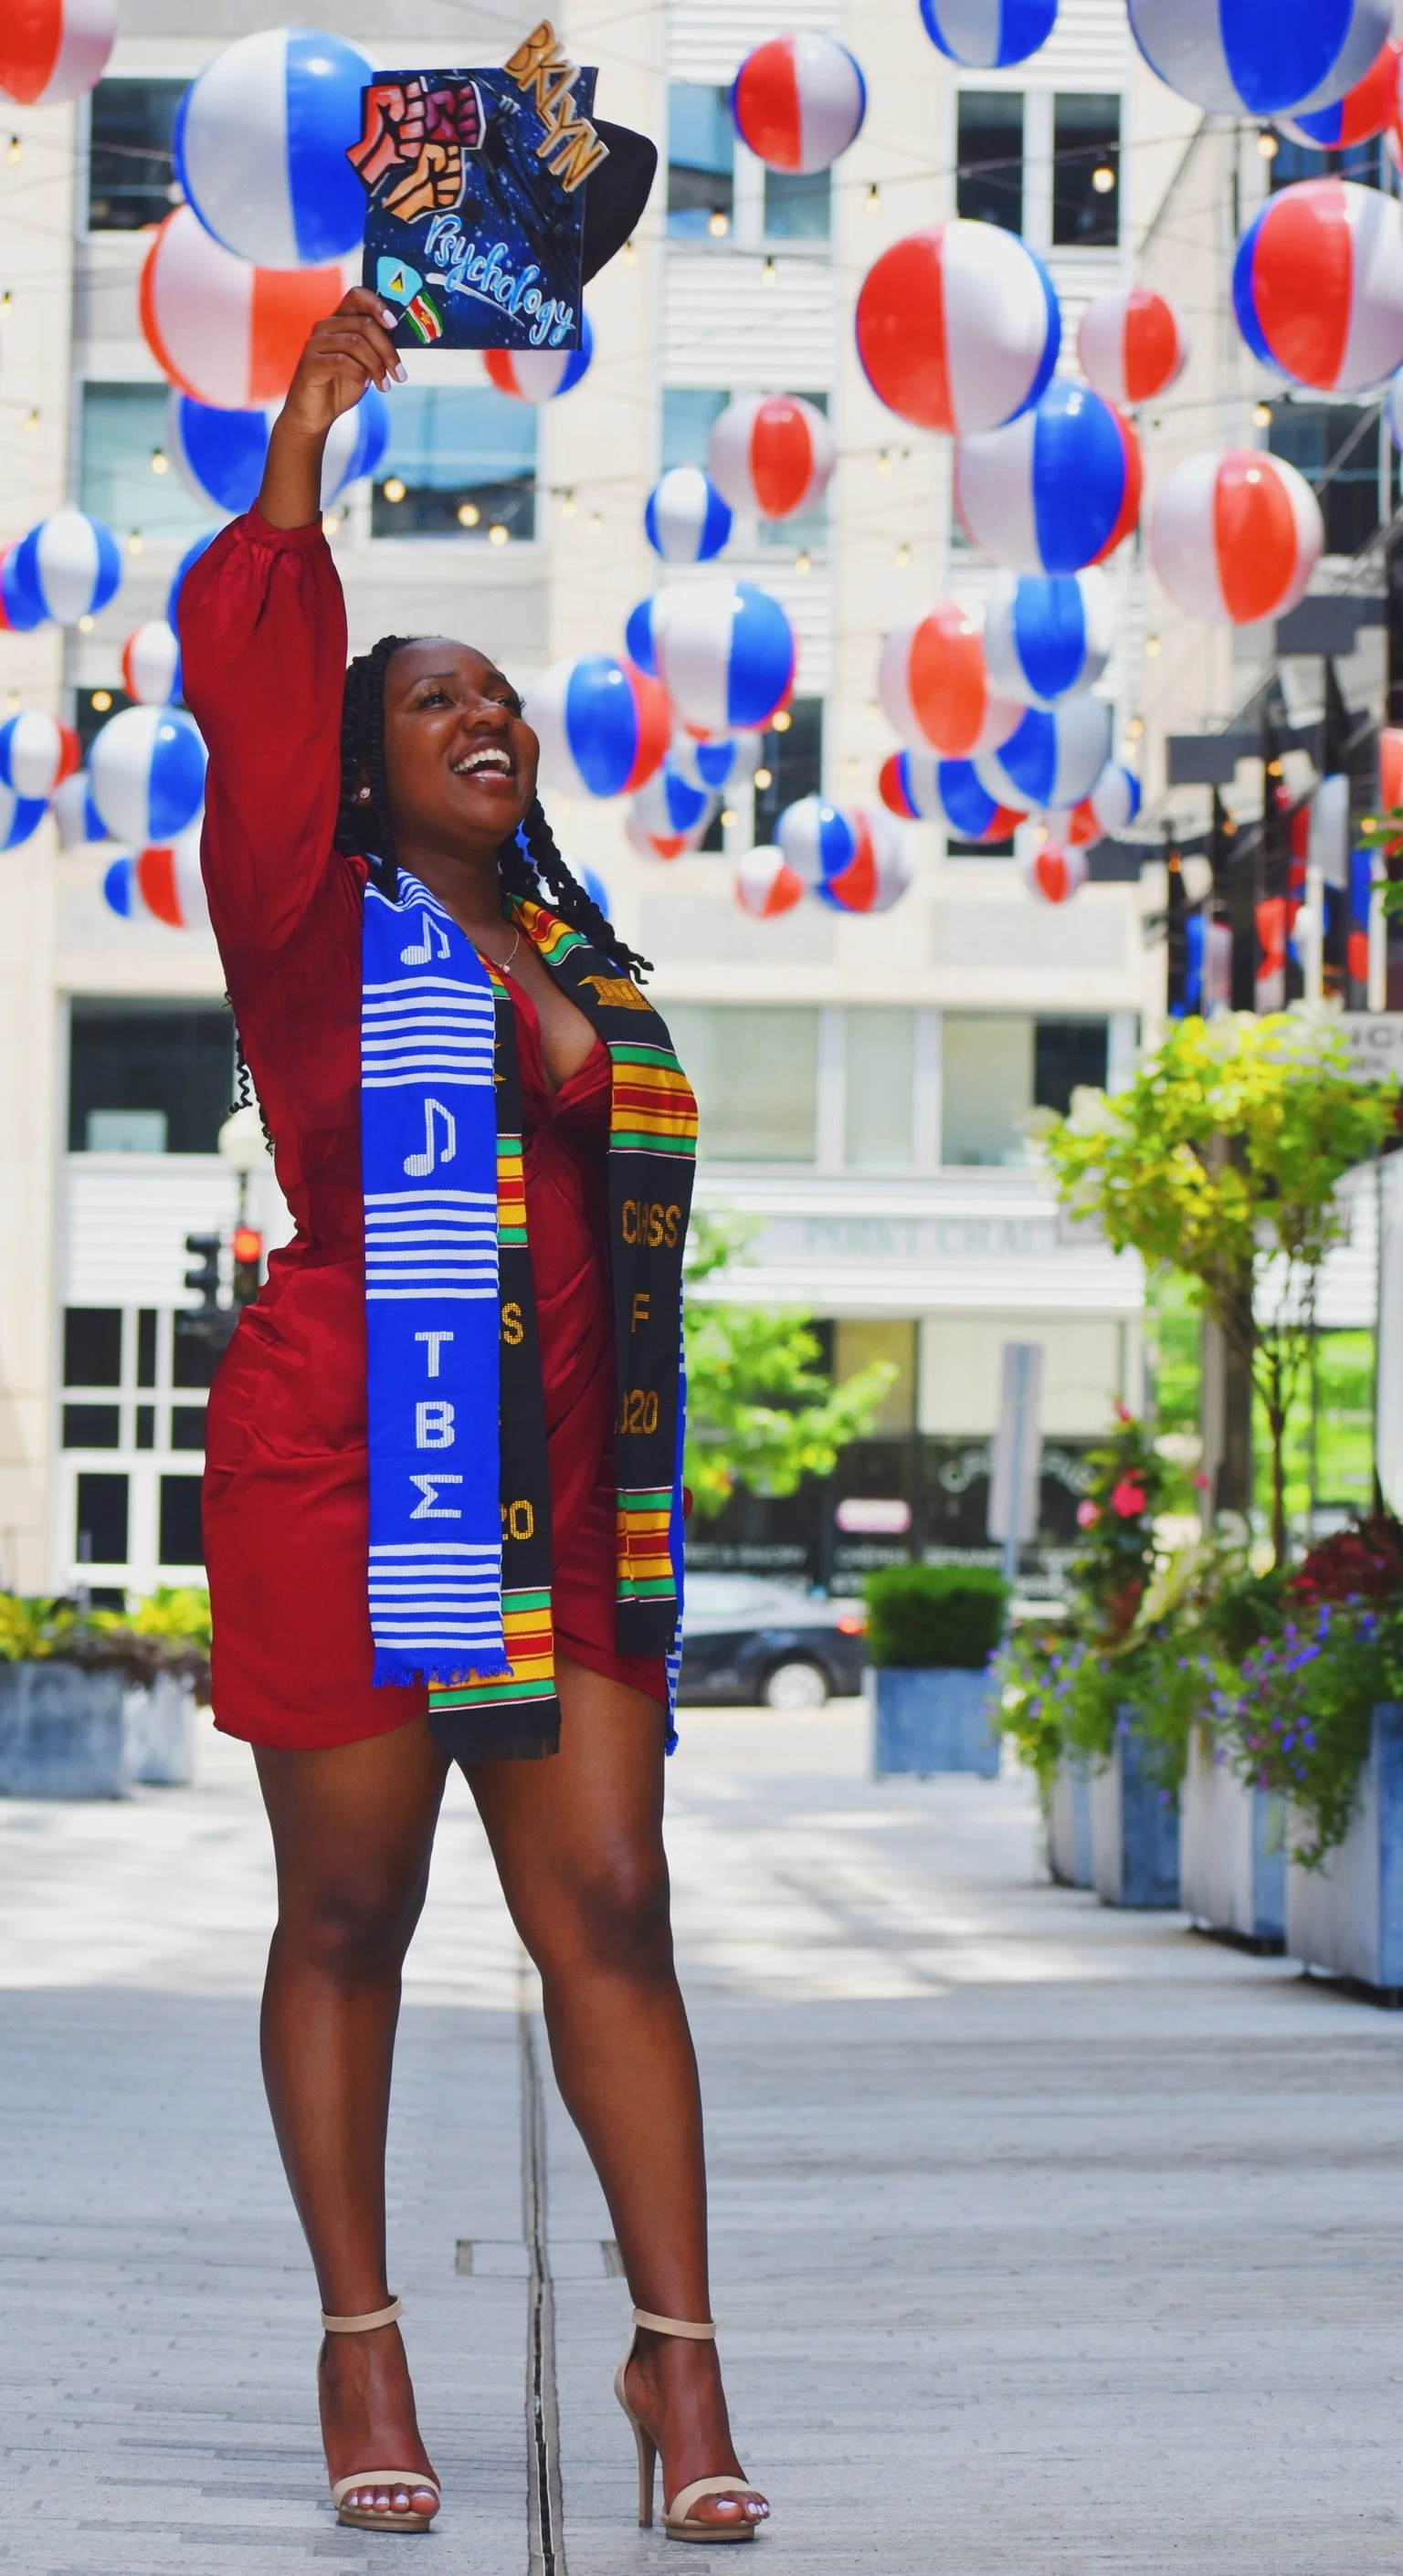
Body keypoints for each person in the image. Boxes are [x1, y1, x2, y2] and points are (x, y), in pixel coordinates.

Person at [179, 288, 768, 2545]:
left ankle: (678, 2360)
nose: (486, 714)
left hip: (570, 1490)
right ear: (359, 763)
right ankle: (362, 2341)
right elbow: (253, 699)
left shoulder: (587, 958)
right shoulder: (298, 915)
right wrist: (302, 454)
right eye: (434, 697)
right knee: (351, 1913)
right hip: (350, 1471)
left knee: (611, 1901)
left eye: (499, 695)